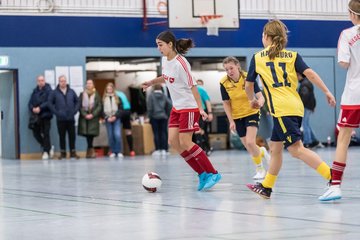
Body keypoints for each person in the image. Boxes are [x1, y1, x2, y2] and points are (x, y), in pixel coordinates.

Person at [244, 20, 336, 199]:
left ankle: (333, 176)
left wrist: (252, 100)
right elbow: (310, 74)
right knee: (275, 148)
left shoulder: (258, 57)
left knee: (296, 150)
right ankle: (267, 187)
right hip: (295, 106)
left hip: (281, 109)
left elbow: (249, 85)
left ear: (267, 37)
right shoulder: (293, 55)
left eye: (263, 35)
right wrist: (326, 91)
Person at [142, 31, 221, 191]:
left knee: (186, 142)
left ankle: (213, 173)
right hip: (177, 108)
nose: (158, 48)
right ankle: (202, 173)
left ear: (170, 44)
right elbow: (166, 77)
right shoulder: (165, 60)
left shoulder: (181, 63)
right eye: (157, 45)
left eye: (160, 45)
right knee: (174, 142)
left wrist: (200, 108)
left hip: (189, 107)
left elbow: (193, 86)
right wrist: (151, 82)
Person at [319, 0, 360, 201]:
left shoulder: (347, 34)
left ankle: (335, 186)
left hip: (354, 94)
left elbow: (344, 63)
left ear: (352, 14)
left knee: (343, 139)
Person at [220, 56, 270, 180]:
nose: (229, 71)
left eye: (231, 68)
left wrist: (260, 103)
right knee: (248, 146)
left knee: (250, 142)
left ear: (238, 66)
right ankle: (262, 151)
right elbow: (226, 103)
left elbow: (260, 96)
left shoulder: (248, 78)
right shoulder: (223, 83)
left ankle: (260, 169)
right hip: (237, 116)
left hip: (251, 112)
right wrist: (231, 121)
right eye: (226, 69)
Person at [48, 75, 80, 159]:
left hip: (70, 118)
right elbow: (49, 103)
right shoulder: (54, 92)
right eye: (61, 81)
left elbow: (77, 102)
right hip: (60, 119)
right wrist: (56, 112)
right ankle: (63, 153)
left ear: (66, 82)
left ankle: (73, 152)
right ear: (59, 82)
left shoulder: (71, 92)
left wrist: (75, 111)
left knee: (72, 136)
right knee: (61, 136)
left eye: (64, 81)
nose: (63, 82)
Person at [28, 75, 54, 160]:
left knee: (46, 133)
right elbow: (30, 103)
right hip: (36, 117)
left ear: (45, 81)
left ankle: (46, 151)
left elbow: (49, 102)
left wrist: (40, 108)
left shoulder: (49, 91)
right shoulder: (34, 91)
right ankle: (48, 146)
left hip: (46, 115)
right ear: (37, 82)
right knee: (35, 133)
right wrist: (33, 108)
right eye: (39, 80)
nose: (41, 82)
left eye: (42, 80)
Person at [297, 73, 324, 148]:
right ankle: (314, 141)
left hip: (305, 107)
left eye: (297, 76)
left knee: (305, 124)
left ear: (300, 76)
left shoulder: (304, 84)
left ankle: (307, 142)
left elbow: (305, 96)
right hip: (309, 106)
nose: (296, 78)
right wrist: (313, 106)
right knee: (307, 124)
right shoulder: (307, 82)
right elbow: (312, 96)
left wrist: (300, 106)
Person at [78, 79, 102, 158]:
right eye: (87, 83)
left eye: (90, 83)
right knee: (87, 134)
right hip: (84, 118)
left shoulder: (96, 94)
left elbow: (99, 106)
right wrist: (85, 114)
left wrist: (93, 114)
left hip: (93, 118)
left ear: (93, 85)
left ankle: (90, 150)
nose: (89, 85)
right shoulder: (82, 94)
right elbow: (79, 106)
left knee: (91, 134)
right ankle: (90, 150)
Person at [147, 84, 172, 156]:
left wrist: (149, 116)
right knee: (164, 132)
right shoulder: (164, 96)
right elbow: (170, 105)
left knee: (156, 133)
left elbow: (150, 107)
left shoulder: (151, 96)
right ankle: (165, 149)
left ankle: (158, 149)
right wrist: (167, 114)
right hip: (164, 117)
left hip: (154, 117)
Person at [103, 83, 124, 158]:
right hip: (107, 119)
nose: (109, 90)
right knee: (110, 136)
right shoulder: (104, 99)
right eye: (108, 89)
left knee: (117, 135)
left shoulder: (118, 98)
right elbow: (101, 111)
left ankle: (118, 151)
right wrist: (106, 117)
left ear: (113, 89)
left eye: (110, 89)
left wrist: (115, 116)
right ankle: (112, 151)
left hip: (116, 119)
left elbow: (121, 109)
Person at [192, 79, 213, 156]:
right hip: (191, 113)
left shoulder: (201, 90)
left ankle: (204, 149)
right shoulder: (187, 91)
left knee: (200, 130)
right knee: (195, 131)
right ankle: (201, 149)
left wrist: (210, 113)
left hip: (200, 112)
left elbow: (207, 101)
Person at [116, 90, 136, 156]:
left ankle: (118, 151)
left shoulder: (114, 94)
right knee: (128, 131)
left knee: (117, 132)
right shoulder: (121, 93)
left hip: (121, 112)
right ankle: (131, 150)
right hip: (127, 111)